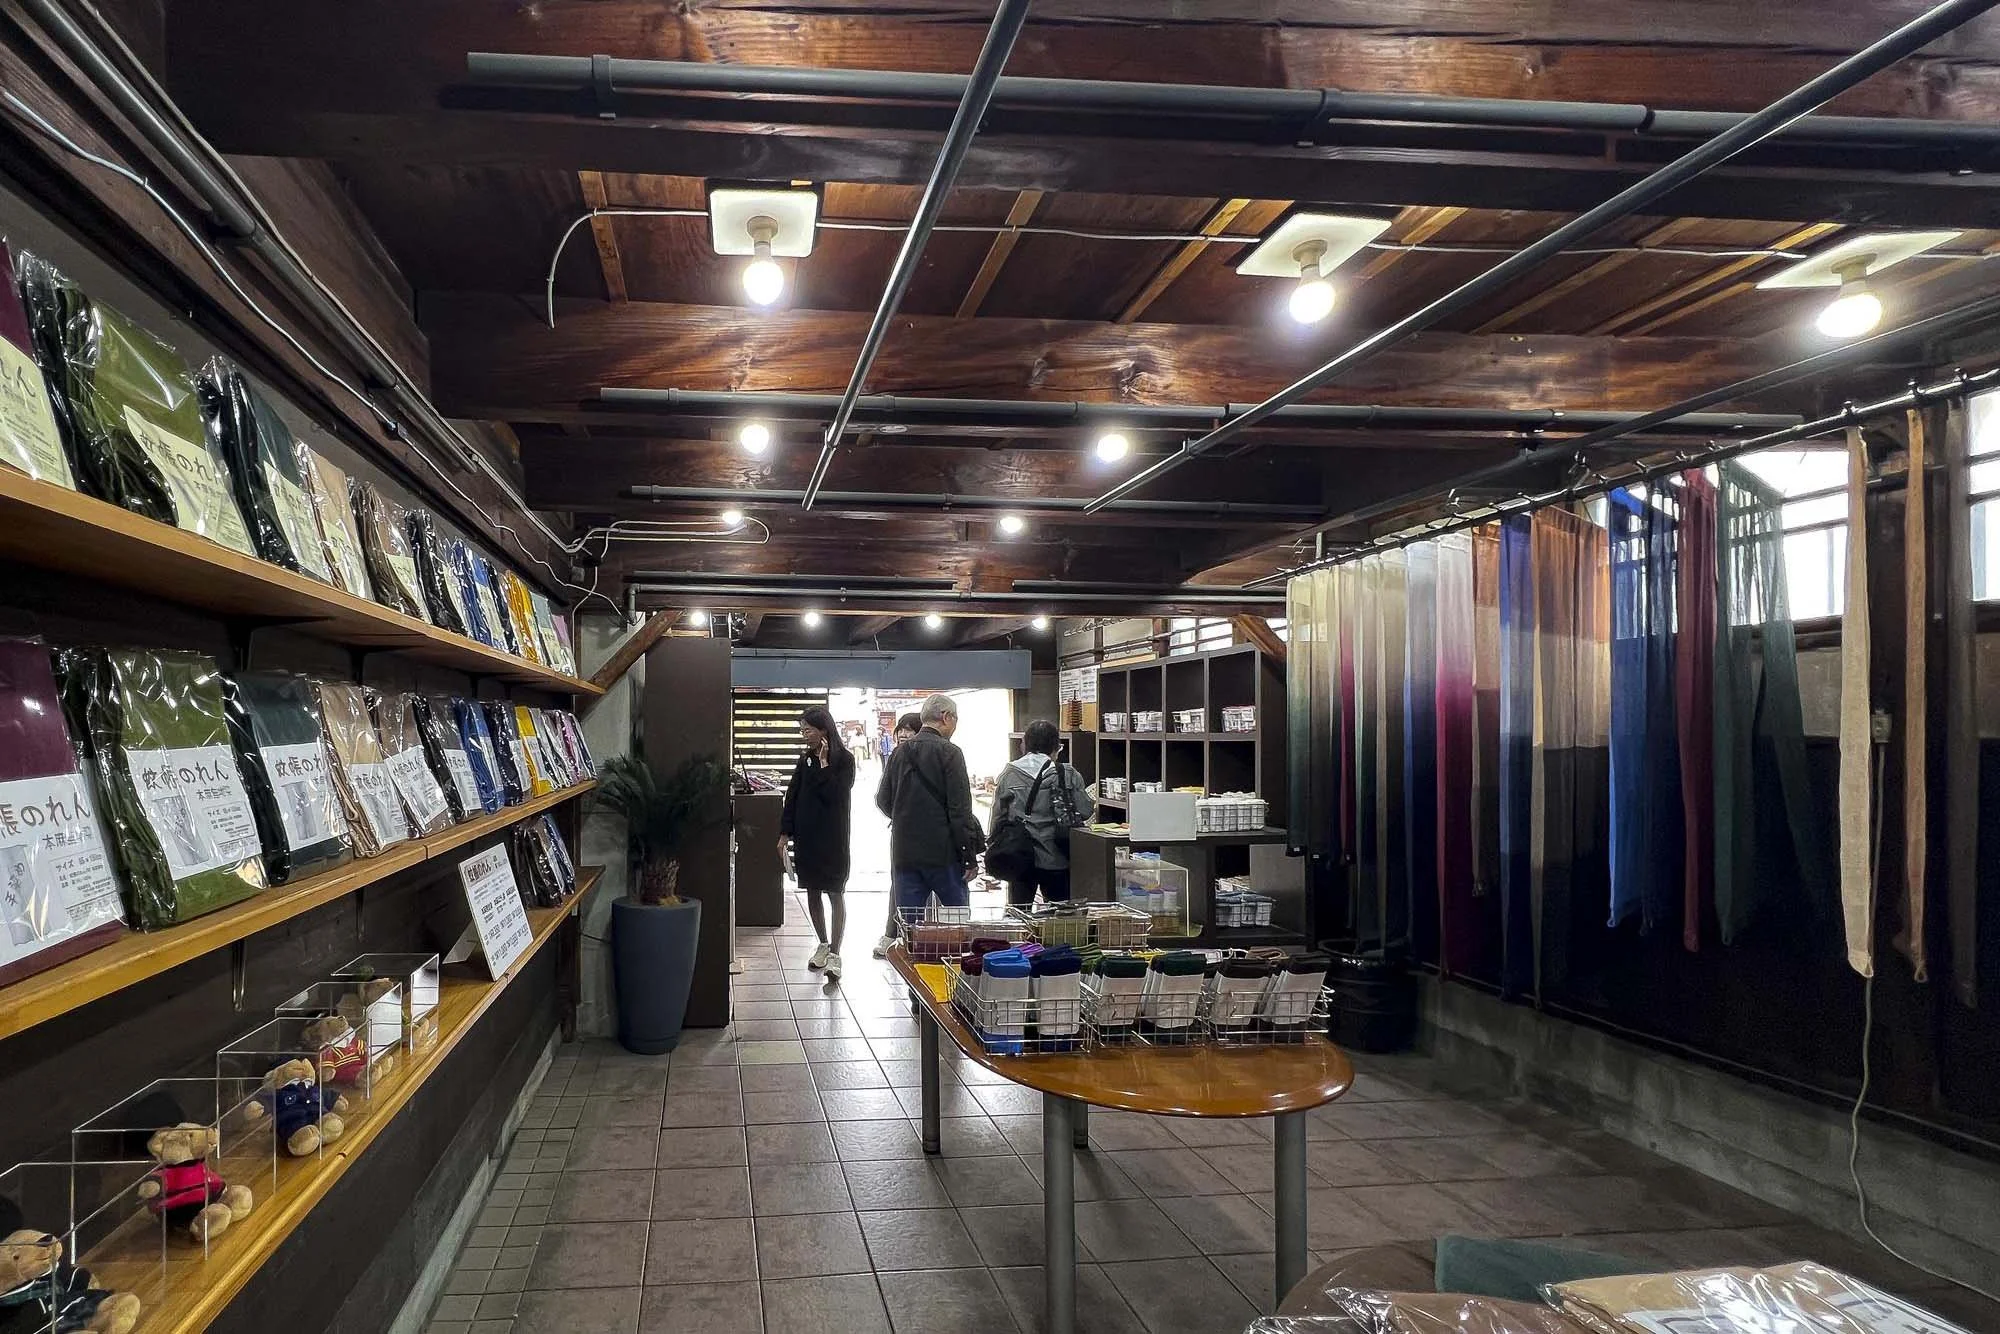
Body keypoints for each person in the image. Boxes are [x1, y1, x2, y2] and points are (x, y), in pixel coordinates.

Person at [876, 694, 983, 915]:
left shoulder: (898, 752)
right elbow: (960, 810)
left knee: (910, 927)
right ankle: (952, 952)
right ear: (946, 717)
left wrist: (906, 818)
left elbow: (883, 800)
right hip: (944, 855)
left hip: (905, 853)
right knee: (957, 921)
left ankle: (913, 950)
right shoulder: (950, 752)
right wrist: (968, 856)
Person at [781, 705, 855, 980]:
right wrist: (784, 833)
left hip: (833, 837)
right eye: (802, 730)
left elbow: (836, 795)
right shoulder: (804, 759)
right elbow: (793, 796)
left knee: (835, 893)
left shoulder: (844, 760)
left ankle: (836, 953)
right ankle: (823, 944)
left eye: (808, 730)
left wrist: (825, 765)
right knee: (812, 890)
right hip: (807, 837)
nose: (805, 735)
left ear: (824, 730)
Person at [990, 719, 1093, 905]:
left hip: (1019, 857)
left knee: (1020, 914)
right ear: (1055, 747)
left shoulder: (1010, 774)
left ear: (1024, 745)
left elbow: (998, 817)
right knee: (1060, 917)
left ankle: (1024, 935)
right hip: (1057, 858)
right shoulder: (1067, 774)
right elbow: (1085, 810)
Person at [871, 712, 922, 957]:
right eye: (901, 729)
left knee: (902, 882)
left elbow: (883, 799)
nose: (903, 734)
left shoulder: (899, 758)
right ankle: (895, 933)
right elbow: (882, 797)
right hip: (907, 833)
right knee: (900, 882)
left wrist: (899, 816)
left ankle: (906, 936)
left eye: (909, 729)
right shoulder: (896, 758)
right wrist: (899, 816)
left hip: (907, 834)